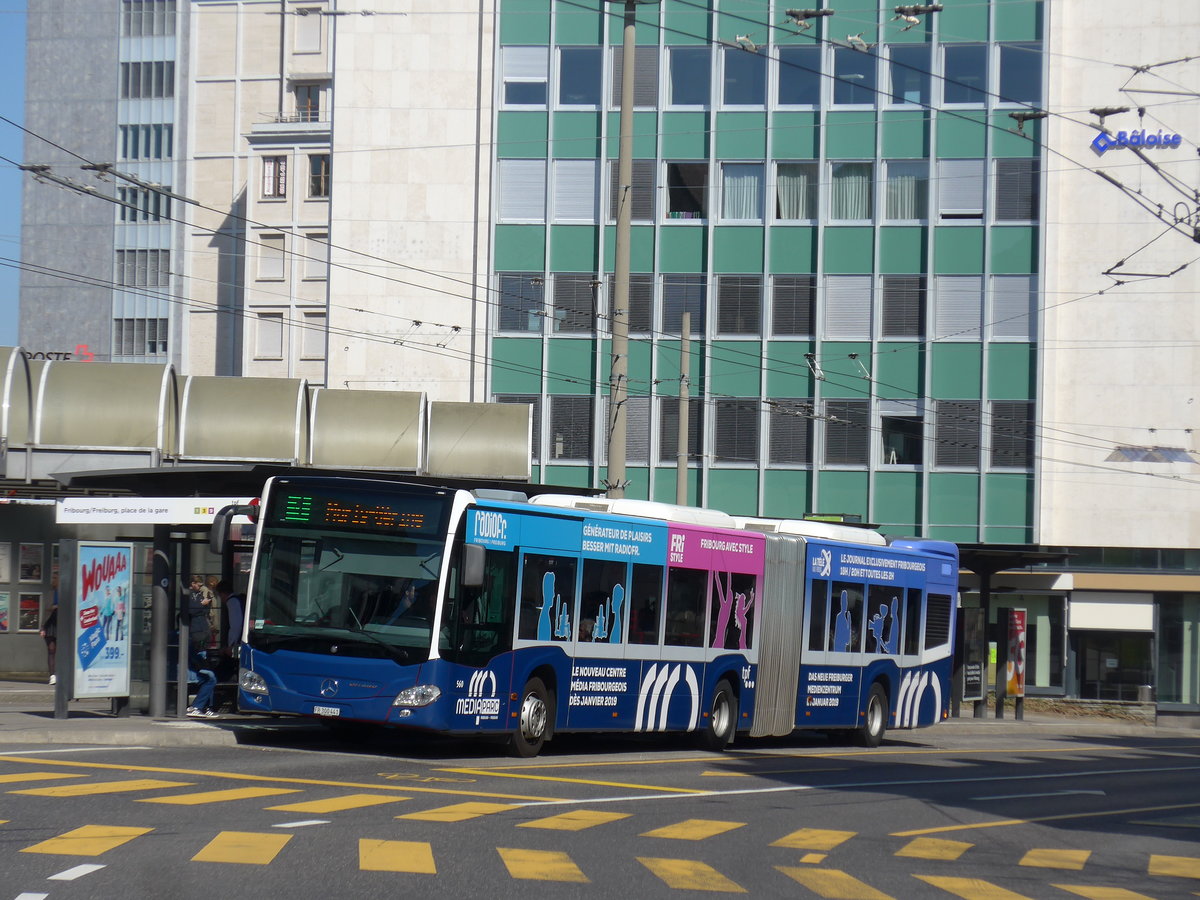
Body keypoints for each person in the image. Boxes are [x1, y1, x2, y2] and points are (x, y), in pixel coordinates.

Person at [185, 575, 212, 655]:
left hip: (203, 627)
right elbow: (190, 610)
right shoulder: (188, 594)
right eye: (199, 585)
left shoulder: (200, 594)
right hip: (195, 628)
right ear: (193, 583)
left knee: (203, 650)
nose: (200, 588)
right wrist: (201, 604)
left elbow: (206, 610)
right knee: (195, 650)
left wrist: (202, 605)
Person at [39, 594, 58, 685]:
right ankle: (52, 676)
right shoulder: (51, 594)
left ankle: (61, 674)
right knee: (51, 650)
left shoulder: (67, 591)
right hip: (50, 626)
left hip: (62, 626)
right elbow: (45, 612)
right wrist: (42, 627)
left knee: (63, 653)